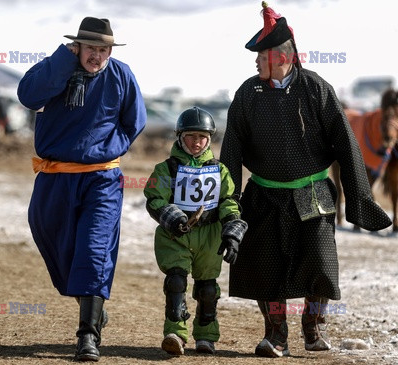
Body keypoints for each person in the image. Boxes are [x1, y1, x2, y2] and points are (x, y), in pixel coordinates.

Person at [220, 1, 392, 358]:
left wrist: (360, 198)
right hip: (264, 196)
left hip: (313, 194)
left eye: (261, 56)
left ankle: (313, 326)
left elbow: (347, 145)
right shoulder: (247, 94)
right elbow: (232, 152)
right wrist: (229, 203)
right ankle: (276, 334)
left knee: (321, 263)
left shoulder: (317, 88)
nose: (255, 62)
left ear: (281, 57)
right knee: (267, 268)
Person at [17, 17, 146, 362]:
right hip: (55, 176)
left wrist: (104, 149)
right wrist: (63, 59)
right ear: (77, 46)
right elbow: (27, 95)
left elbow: (135, 122)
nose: (98, 56)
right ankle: (91, 304)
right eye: (92, 49)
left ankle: (87, 336)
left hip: (101, 179)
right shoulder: (57, 69)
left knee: (94, 248)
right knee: (57, 242)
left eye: (104, 50)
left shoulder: (121, 76)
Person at [143, 107, 248, 356]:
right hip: (176, 234)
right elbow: (154, 199)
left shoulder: (220, 170)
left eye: (202, 137)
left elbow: (228, 202)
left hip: (209, 234)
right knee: (176, 281)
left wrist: (232, 232)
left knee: (208, 289)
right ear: (180, 137)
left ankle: (206, 335)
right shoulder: (166, 169)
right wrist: (171, 216)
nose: (196, 143)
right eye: (191, 136)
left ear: (209, 139)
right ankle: (175, 333)